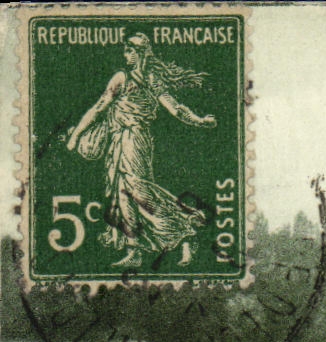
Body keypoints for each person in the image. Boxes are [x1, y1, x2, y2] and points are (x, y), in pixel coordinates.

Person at [65, 34, 216, 268]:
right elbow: (99, 107)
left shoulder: (152, 79)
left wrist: (199, 121)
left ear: (141, 53)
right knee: (122, 193)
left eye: (130, 51)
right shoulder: (120, 78)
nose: (126, 55)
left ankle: (185, 231)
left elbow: (175, 108)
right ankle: (134, 249)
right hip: (117, 140)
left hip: (136, 140)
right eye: (125, 51)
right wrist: (76, 135)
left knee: (139, 192)